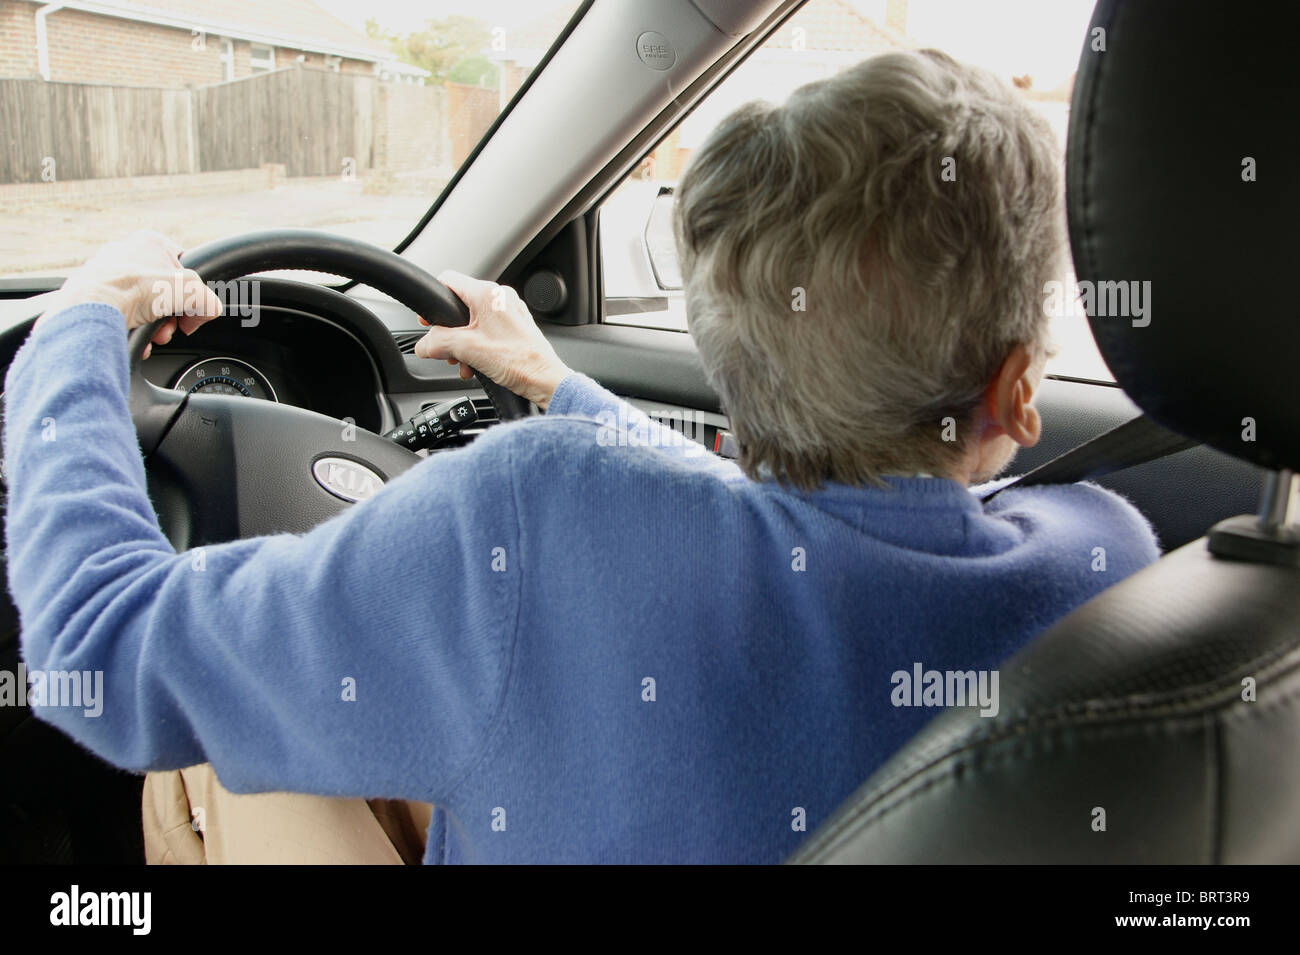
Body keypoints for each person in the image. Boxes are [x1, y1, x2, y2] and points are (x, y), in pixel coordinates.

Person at [2, 50, 1158, 864]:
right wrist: (560, 385)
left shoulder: (538, 519)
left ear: (725, 344)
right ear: (1015, 390)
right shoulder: (1106, 563)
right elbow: (813, 544)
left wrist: (74, 336)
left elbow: (103, 653)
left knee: (212, 752)